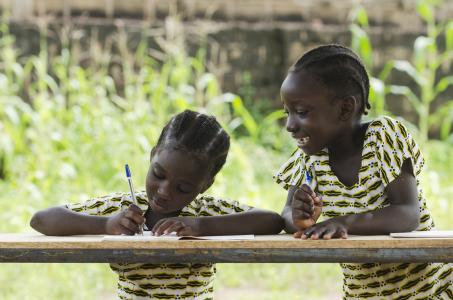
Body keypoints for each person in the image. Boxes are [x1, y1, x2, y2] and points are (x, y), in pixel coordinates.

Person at [31, 109, 283, 300]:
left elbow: (271, 220)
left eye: (183, 188)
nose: (164, 191)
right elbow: (41, 220)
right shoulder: (125, 209)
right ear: (152, 156)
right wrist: (106, 224)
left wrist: (199, 227)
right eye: (158, 174)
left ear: (204, 185)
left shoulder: (204, 212)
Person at [274, 44, 453, 299]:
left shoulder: (383, 137)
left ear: (345, 108)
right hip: (363, 294)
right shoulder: (310, 160)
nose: (290, 125)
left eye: (301, 112)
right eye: (287, 113)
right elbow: (287, 214)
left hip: (429, 290)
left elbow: (407, 214)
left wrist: (342, 223)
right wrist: (302, 220)